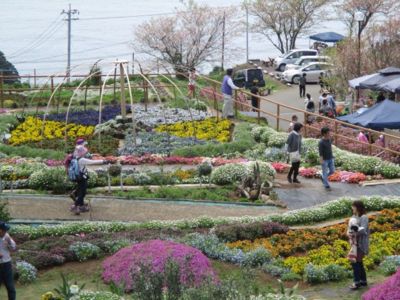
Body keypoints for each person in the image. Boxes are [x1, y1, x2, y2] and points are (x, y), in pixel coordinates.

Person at [70, 145, 108, 215]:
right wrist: (104, 161)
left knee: (80, 190)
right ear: (81, 152)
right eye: (84, 152)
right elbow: (92, 162)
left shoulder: (76, 158)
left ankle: (80, 204)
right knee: (82, 192)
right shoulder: (82, 160)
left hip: (79, 177)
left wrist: (93, 155)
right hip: (82, 178)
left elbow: (88, 158)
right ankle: (76, 206)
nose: (85, 153)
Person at [348, 200, 369, 290]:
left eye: (353, 206)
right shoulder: (353, 217)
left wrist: (354, 231)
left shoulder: (364, 217)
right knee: (359, 262)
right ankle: (363, 281)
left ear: (357, 207)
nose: (352, 208)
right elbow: (348, 228)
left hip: (360, 243)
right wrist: (348, 232)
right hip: (354, 243)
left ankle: (356, 283)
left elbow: (363, 230)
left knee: (354, 262)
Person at [0, 222, 16, 300]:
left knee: (11, 288)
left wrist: (9, 242)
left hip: (6, 265)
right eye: (4, 230)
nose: (5, 232)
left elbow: (13, 248)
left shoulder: (6, 236)